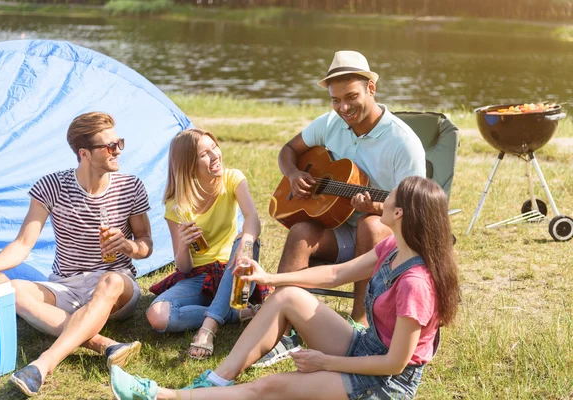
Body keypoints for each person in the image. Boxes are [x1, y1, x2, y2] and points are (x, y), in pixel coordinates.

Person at [110, 176, 460, 400]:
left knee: (269, 387)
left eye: (390, 196)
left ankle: (160, 396)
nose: (380, 199)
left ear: (400, 214)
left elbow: (395, 365)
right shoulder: (392, 249)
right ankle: (215, 381)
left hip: (384, 385)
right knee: (289, 297)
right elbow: (335, 275)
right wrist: (270, 279)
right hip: (365, 348)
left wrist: (327, 362)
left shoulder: (416, 284)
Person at [259, 50, 427, 366]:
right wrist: (294, 174)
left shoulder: (403, 143)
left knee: (371, 225)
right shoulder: (330, 123)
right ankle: (279, 326)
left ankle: (359, 322)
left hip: (385, 242)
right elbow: (288, 151)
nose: (343, 108)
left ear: (371, 89)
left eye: (351, 97)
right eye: (335, 100)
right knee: (301, 230)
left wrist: (378, 206)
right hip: (339, 231)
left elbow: (416, 210)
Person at [0, 112, 153, 397]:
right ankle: (105, 345)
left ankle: (43, 365)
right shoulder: (51, 187)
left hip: (115, 286)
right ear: (84, 153)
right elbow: (22, 244)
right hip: (65, 284)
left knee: (111, 282)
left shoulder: (131, 186)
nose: (117, 150)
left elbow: (146, 244)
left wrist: (128, 246)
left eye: (119, 142)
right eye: (109, 146)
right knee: (15, 289)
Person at [145, 128, 262, 360]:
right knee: (156, 315)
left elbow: (253, 218)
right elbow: (184, 268)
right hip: (198, 277)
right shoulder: (176, 204)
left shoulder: (232, 179)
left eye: (214, 147)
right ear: (189, 164)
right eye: (204, 154)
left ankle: (208, 328)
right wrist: (184, 246)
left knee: (246, 241)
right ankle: (234, 315)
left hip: (234, 271)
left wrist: (245, 239)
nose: (215, 155)